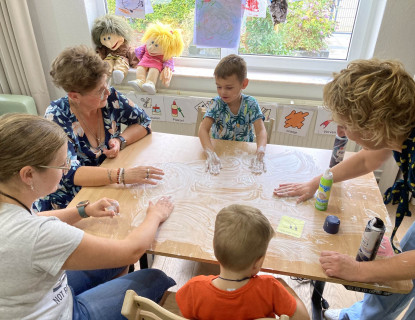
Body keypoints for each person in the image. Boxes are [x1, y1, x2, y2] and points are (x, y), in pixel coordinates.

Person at [273, 58, 415, 320]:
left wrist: (357, 271)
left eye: (346, 126)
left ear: (375, 127)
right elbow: (367, 159)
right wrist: (318, 181)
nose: (341, 131)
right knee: (397, 271)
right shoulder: (399, 124)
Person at [0, 113, 176, 319]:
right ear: (28, 174)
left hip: (29, 296)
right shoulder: (40, 235)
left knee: (114, 261)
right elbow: (132, 251)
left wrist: (82, 211)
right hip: (62, 313)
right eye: (61, 164)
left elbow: (35, 218)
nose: (66, 169)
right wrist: (155, 215)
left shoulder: (10, 202)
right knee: (155, 277)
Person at [34, 45, 164, 212]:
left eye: (106, 85)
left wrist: (120, 140)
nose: (107, 92)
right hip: (71, 200)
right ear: (75, 96)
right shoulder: (57, 116)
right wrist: (121, 175)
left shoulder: (109, 98)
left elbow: (144, 122)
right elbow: (69, 173)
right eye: (99, 91)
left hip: (105, 184)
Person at [176, 204, 309, 320]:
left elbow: (182, 316)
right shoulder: (271, 288)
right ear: (258, 263)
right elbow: (303, 318)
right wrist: (284, 287)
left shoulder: (194, 288)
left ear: (215, 249)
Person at [198, 54, 267, 175]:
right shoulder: (217, 103)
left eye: (229, 87)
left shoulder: (251, 104)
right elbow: (203, 129)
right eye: (219, 86)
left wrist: (261, 149)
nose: (222, 92)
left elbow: (261, 131)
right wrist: (210, 152)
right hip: (219, 154)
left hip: (243, 155)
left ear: (244, 84)